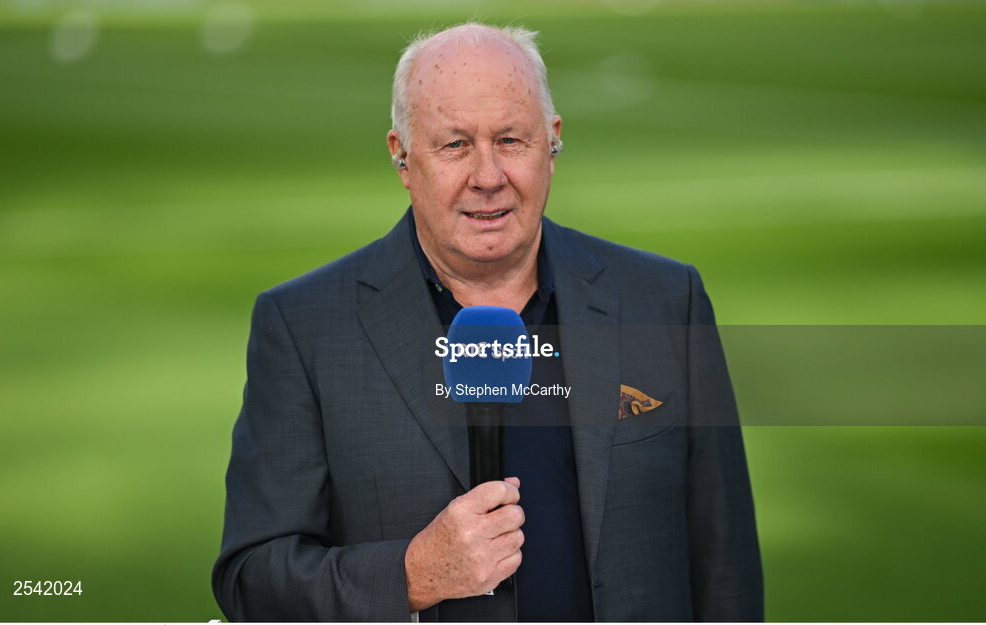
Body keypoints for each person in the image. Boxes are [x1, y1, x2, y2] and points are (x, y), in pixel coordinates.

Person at [212, 22, 763, 622]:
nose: (488, 176)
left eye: (510, 140)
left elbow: (725, 562)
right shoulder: (304, 327)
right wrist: (411, 575)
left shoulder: (665, 301)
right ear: (402, 156)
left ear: (552, 143)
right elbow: (252, 580)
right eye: (454, 145)